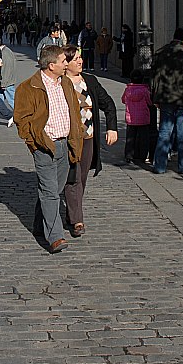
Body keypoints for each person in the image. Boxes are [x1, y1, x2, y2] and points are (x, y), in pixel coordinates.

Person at [14, 45, 84, 253]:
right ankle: (55, 237)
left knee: (53, 190)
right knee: (50, 193)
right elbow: (21, 119)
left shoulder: (66, 84)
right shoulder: (28, 88)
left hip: (66, 144)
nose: (66, 64)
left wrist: (77, 133)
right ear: (51, 65)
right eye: (63, 61)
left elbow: (74, 111)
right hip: (44, 146)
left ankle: (39, 225)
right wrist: (34, 142)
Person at [61, 45, 118, 237]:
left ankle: (72, 213)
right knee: (73, 177)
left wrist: (112, 128)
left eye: (80, 57)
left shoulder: (90, 81)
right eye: (75, 59)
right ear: (66, 63)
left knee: (82, 177)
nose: (80, 61)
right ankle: (77, 221)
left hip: (88, 138)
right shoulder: (60, 83)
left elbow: (108, 104)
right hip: (68, 139)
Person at [150, 27, 183, 175]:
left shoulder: (160, 53)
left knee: (164, 132)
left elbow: (153, 77)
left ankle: (159, 166)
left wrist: (154, 96)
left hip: (165, 98)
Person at [121, 69, 154, 164]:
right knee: (143, 138)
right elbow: (149, 102)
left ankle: (129, 155)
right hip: (143, 118)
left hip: (131, 118)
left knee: (130, 137)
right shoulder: (145, 90)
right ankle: (142, 155)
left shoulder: (128, 90)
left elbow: (123, 100)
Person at [0, 36, 19, 127]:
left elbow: (6, 70)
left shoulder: (4, 54)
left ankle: (20, 115)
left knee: (11, 100)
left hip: (6, 82)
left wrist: (4, 83)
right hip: (5, 81)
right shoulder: (7, 51)